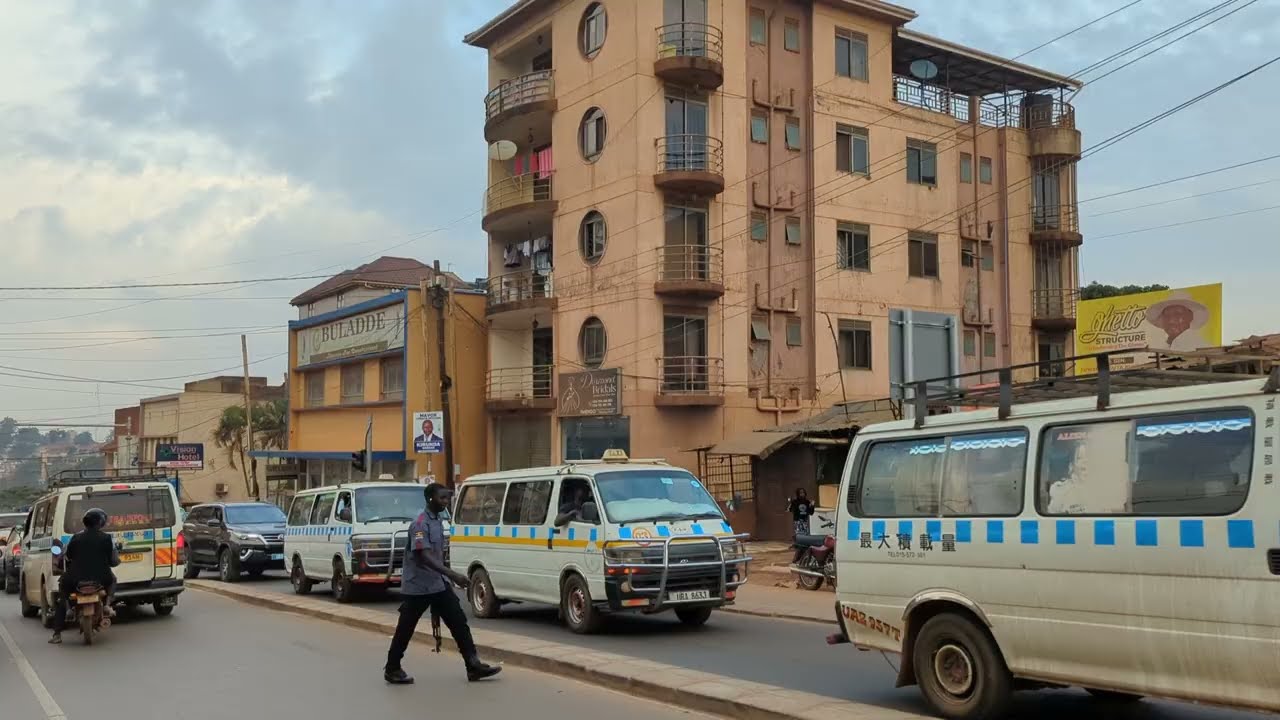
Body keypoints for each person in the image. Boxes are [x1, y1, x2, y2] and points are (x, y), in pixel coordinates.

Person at [384, 483, 500, 684]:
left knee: (459, 622)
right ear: (430, 499)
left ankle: (473, 665)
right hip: (418, 586)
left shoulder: (438, 520)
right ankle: (392, 668)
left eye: (448, 498)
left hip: (437, 583)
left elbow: (438, 555)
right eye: (442, 498)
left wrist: (447, 576)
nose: (446, 502)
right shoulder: (420, 523)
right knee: (406, 628)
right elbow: (424, 556)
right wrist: (453, 575)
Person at [50, 508, 119, 645]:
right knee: (113, 580)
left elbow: (68, 556)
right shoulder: (106, 538)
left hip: (75, 578)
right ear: (101, 523)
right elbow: (112, 561)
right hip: (101, 577)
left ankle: (58, 632)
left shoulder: (76, 537)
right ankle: (107, 604)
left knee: (62, 593)